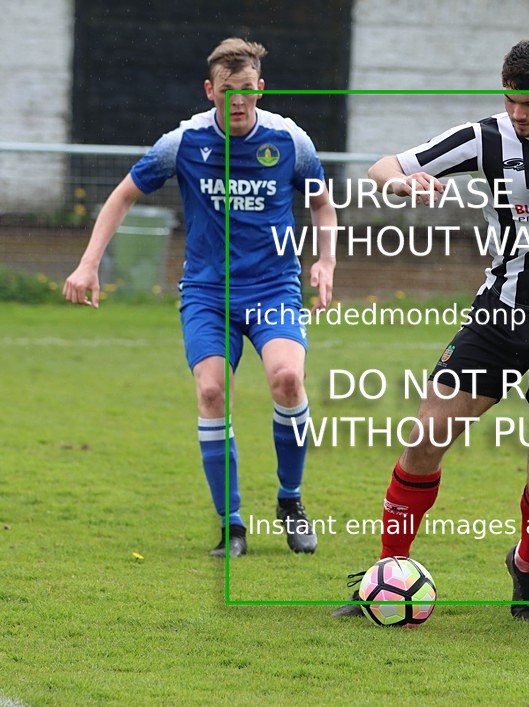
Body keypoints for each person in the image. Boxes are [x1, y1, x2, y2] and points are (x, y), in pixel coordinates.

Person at [332, 37, 529, 621]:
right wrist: (400, 183)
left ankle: (525, 566)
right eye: (511, 101)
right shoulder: (486, 137)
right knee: (423, 440)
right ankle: (388, 571)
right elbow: (383, 164)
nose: (519, 114)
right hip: (498, 319)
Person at [63, 38, 338, 558]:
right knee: (211, 392)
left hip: (273, 286)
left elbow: (323, 207)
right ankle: (231, 525)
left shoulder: (289, 139)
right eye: (226, 92)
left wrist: (325, 261)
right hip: (208, 292)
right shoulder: (184, 141)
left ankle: (291, 500)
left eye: (247, 92)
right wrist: (88, 262)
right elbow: (123, 194)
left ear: (260, 88)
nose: (237, 102)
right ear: (210, 90)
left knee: (287, 378)